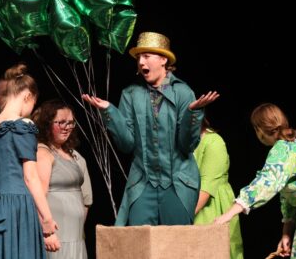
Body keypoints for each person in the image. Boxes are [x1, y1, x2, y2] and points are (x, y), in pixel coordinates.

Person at [82, 31, 219, 226]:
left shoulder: (182, 92)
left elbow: (187, 146)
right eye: (139, 57)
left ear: (163, 59)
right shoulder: (130, 94)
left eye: (146, 56)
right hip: (143, 184)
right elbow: (126, 145)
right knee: (139, 245)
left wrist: (193, 114)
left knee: (175, 247)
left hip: (177, 184)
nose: (141, 62)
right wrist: (109, 112)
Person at [214, 103, 296, 258]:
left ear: (259, 131)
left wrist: (229, 214)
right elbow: (289, 193)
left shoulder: (283, 149)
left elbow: (266, 182)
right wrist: (287, 233)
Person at [0, 63, 57, 258]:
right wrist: (47, 218)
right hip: (17, 207)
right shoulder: (23, 125)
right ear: (28, 96)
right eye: (33, 104)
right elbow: (31, 177)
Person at [33, 99, 93, 258]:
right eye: (61, 122)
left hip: (75, 235)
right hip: (57, 236)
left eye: (71, 123)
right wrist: (48, 233)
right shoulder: (43, 153)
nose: (67, 128)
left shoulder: (71, 153)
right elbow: (38, 196)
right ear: (47, 124)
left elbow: (84, 197)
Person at [194, 117, 244, 258]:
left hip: (209, 208)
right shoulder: (182, 142)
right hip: (189, 205)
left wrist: (179, 220)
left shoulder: (214, 142)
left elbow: (206, 189)